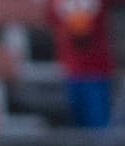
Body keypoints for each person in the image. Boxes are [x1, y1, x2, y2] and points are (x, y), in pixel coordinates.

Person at [46, 0, 120, 128]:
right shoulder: (55, 3)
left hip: (96, 71)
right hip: (70, 72)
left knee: (98, 124)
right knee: (77, 125)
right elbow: (52, 21)